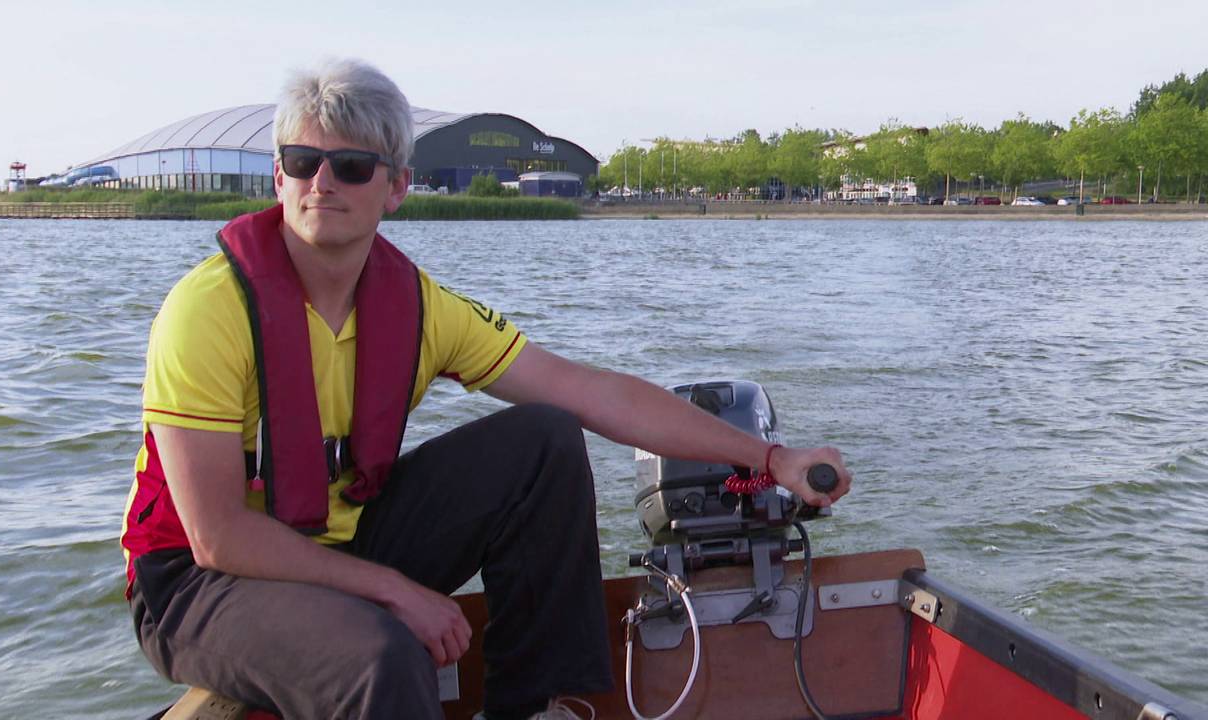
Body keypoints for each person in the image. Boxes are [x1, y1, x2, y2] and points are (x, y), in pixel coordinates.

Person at [120, 58, 852, 720]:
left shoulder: (418, 309)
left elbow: (591, 392)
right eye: (302, 161)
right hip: (197, 585)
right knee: (384, 657)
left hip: (342, 538)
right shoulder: (210, 311)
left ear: (397, 187)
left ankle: (530, 708)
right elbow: (218, 536)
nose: (322, 183)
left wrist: (768, 457)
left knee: (544, 439)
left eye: (349, 165)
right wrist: (395, 593)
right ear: (278, 177)